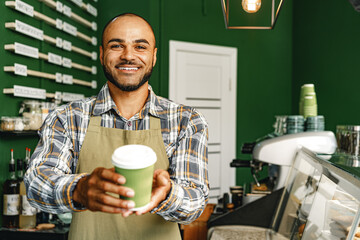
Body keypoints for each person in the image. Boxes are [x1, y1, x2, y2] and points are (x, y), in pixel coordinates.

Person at [24, 13, 209, 240]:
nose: (128, 56)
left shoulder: (186, 121)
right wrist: (79, 189)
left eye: (140, 46)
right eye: (116, 46)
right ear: (102, 55)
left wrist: (167, 193)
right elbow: (35, 185)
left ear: (154, 56)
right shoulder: (66, 117)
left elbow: (195, 204)